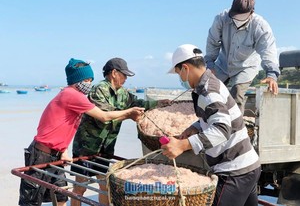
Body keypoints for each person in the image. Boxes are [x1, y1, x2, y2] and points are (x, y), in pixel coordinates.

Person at [18, 58, 144, 206]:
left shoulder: (73, 96)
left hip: (55, 153)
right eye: (87, 80)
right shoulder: (72, 95)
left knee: (61, 196)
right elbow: (104, 116)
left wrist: (63, 151)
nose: (89, 84)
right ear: (78, 80)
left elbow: (59, 127)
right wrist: (129, 113)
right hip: (41, 153)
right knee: (31, 201)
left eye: (91, 80)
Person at [163, 44, 261, 206]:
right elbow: (217, 118)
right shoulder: (211, 84)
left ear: (185, 68)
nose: (180, 78)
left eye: (178, 72)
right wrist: (195, 127)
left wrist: (183, 145)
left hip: (234, 171)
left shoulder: (208, 92)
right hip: (249, 166)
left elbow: (222, 130)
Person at [70, 57, 170, 206]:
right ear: (114, 73)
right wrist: (129, 114)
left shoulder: (123, 93)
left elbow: (137, 102)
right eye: (124, 75)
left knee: (105, 186)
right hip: (87, 148)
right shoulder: (99, 89)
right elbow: (105, 115)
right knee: (80, 187)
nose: (126, 79)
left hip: (105, 148)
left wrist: (158, 103)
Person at [205, 0, 280, 113]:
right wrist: (209, 64)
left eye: (242, 17)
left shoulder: (260, 26)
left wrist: (271, 74)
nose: (237, 20)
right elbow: (212, 42)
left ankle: (236, 128)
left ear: (251, 12)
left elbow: (268, 50)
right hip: (224, 63)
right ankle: (211, 118)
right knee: (208, 88)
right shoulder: (220, 19)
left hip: (246, 66)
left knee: (236, 94)